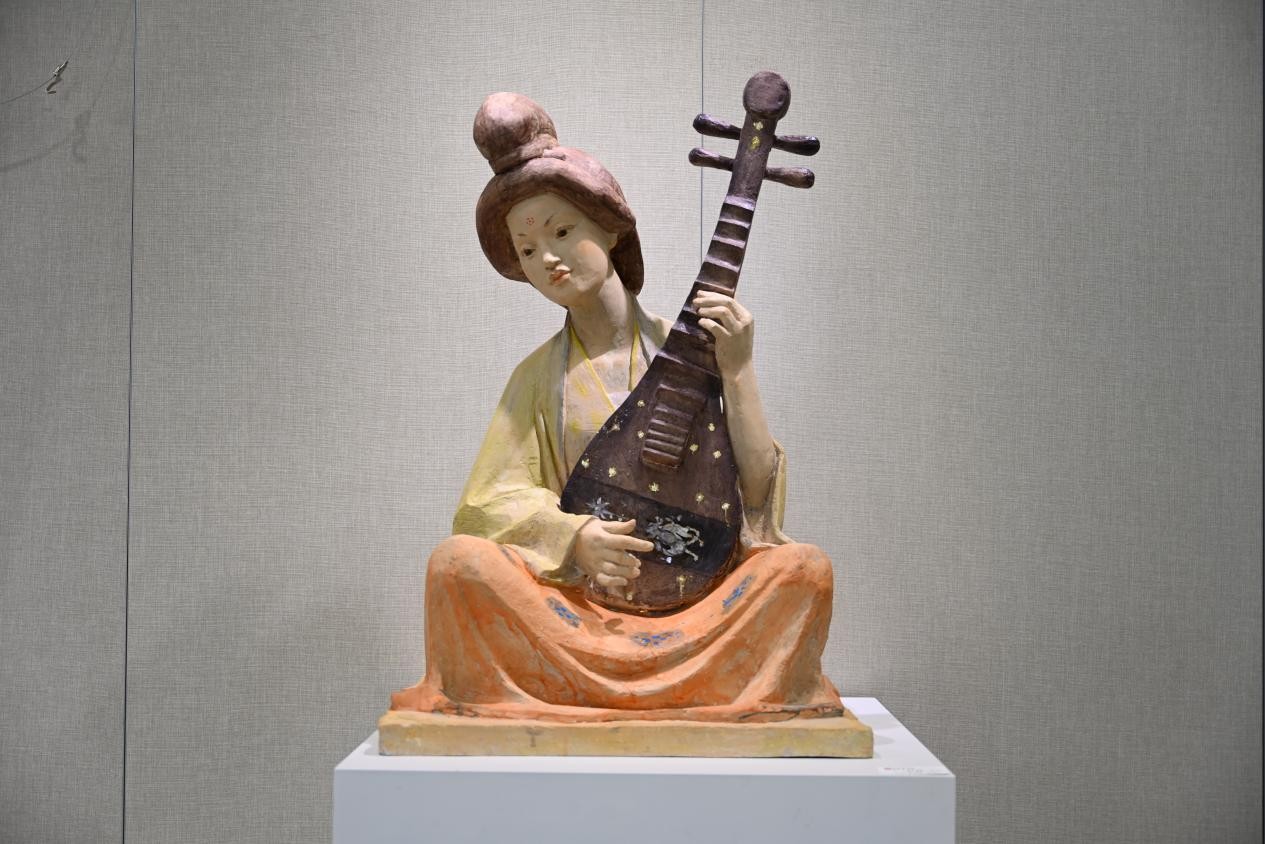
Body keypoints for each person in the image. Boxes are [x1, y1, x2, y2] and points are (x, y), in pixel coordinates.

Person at [390, 93, 843, 723]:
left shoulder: (694, 349)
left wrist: (738, 369)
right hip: (581, 613)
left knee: (802, 570)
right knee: (456, 564)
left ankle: (625, 699)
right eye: (527, 249)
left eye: (562, 231)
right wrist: (572, 537)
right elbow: (483, 505)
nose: (548, 258)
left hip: (699, 605)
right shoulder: (537, 379)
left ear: (610, 226)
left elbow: (758, 494)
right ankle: (666, 698)